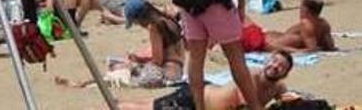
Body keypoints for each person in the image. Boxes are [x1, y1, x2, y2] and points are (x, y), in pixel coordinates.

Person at [119, 51, 294, 110]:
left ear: (284, 74)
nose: (275, 66)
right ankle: (113, 106)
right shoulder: (251, 76)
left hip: (205, 96)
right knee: (147, 108)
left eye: (281, 66)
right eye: (274, 61)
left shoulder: (278, 87)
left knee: (150, 104)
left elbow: (292, 99)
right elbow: (244, 104)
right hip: (197, 99)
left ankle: (117, 103)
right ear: (267, 61)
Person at [123, 0, 186, 86]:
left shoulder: (155, 27)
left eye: (136, 22)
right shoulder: (170, 19)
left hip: (167, 73)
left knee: (128, 69)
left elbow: (157, 61)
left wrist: (138, 60)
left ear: (141, 18)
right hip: (179, 71)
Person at [264, 0, 335, 53]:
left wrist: (297, 51)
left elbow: (312, 49)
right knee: (272, 34)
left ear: (305, 10)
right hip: (286, 38)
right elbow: (330, 46)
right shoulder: (324, 23)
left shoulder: (306, 24)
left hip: (278, 44)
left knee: (267, 43)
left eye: (301, 8)